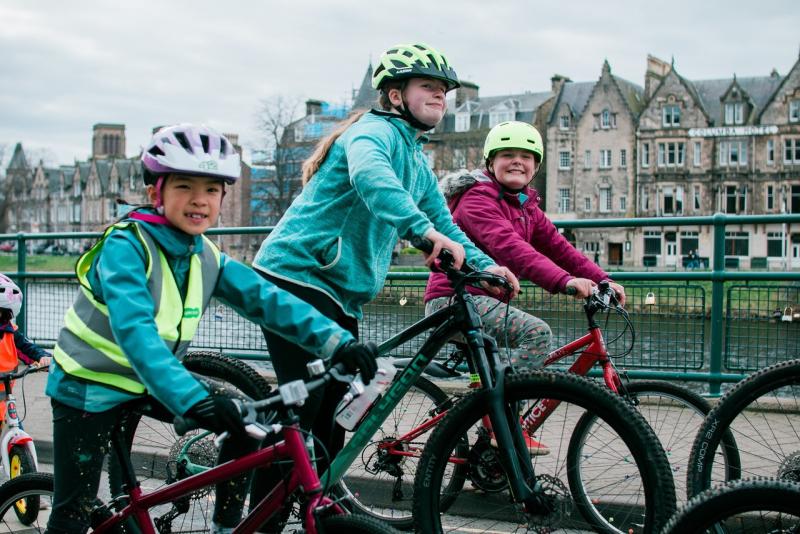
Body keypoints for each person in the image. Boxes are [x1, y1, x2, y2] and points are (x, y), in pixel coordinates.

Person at [43, 124, 378, 534]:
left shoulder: (205, 255)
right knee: (72, 515)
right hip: (88, 387)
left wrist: (336, 341)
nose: (199, 200)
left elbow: (268, 300)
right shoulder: (125, 247)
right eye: (184, 186)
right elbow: (137, 334)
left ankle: (226, 527)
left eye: (212, 189)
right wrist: (194, 400)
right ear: (156, 192)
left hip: (153, 381)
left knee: (248, 420)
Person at [250, 42, 519, 528]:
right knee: (303, 415)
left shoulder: (416, 159)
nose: (440, 97)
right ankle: (259, 520)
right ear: (395, 95)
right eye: (429, 88)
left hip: (338, 292)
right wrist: (422, 233)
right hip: (296, 276)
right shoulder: (372, 134)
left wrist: (488, 267)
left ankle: (313, 504)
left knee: (340, 417)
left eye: (444, 91)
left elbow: (445, 222)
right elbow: (374, 182)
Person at [424, 121, 626, 453]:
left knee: (508, 360)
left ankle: (490, 445)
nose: (517, 161)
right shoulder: (477, 199)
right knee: (536, 334)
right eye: (507, 155)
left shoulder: (526, 205)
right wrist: (564, 282)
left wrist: (603, 278)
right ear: (491, 163)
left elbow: (560, 249)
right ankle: (501, 421)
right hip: (454, 300)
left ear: (536, 166)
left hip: (484, 302)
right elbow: (512, 249)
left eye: (526, 156)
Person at [0, 274, 51, 424]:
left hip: (4, 407)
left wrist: (43, 357)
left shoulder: (10, 333)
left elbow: (27, 348)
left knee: (17, 433)